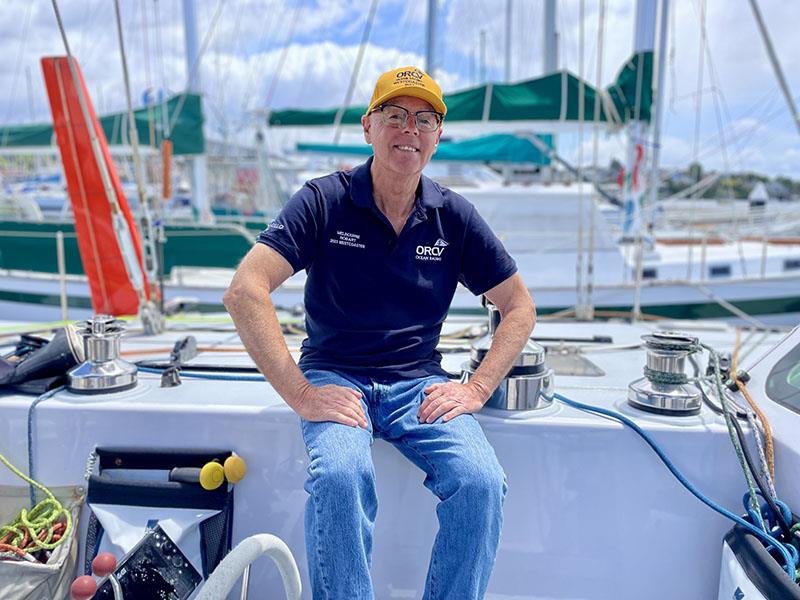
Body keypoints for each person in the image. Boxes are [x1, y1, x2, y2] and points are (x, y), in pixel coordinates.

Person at [224, 66, 536, 600]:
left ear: (437, 137)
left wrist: (477, 388)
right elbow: (245, 288)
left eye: (424, 119)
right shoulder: (324, 200)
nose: (408, 130)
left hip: (418, 383)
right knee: (340, 479)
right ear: (369, 126)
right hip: (334, 375)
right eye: (395, 116)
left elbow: (519, 306)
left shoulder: (453, 216)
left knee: (482, 484)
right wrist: (300, 392)